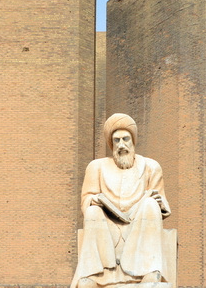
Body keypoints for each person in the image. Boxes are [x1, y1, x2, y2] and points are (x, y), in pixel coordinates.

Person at [71, 113, 171, 288]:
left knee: (150, 205)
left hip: (140, 222)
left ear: (133, 141)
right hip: (106, 224)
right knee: (93, 211)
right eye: (116, 140)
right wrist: (93, 200)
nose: (122, 145)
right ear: (111, 144)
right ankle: (94, 274)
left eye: (126, 139)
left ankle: (149, 271)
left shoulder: (151, 167)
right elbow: (86, 200)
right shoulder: (97, 167)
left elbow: (161, 199)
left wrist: (157, 201)